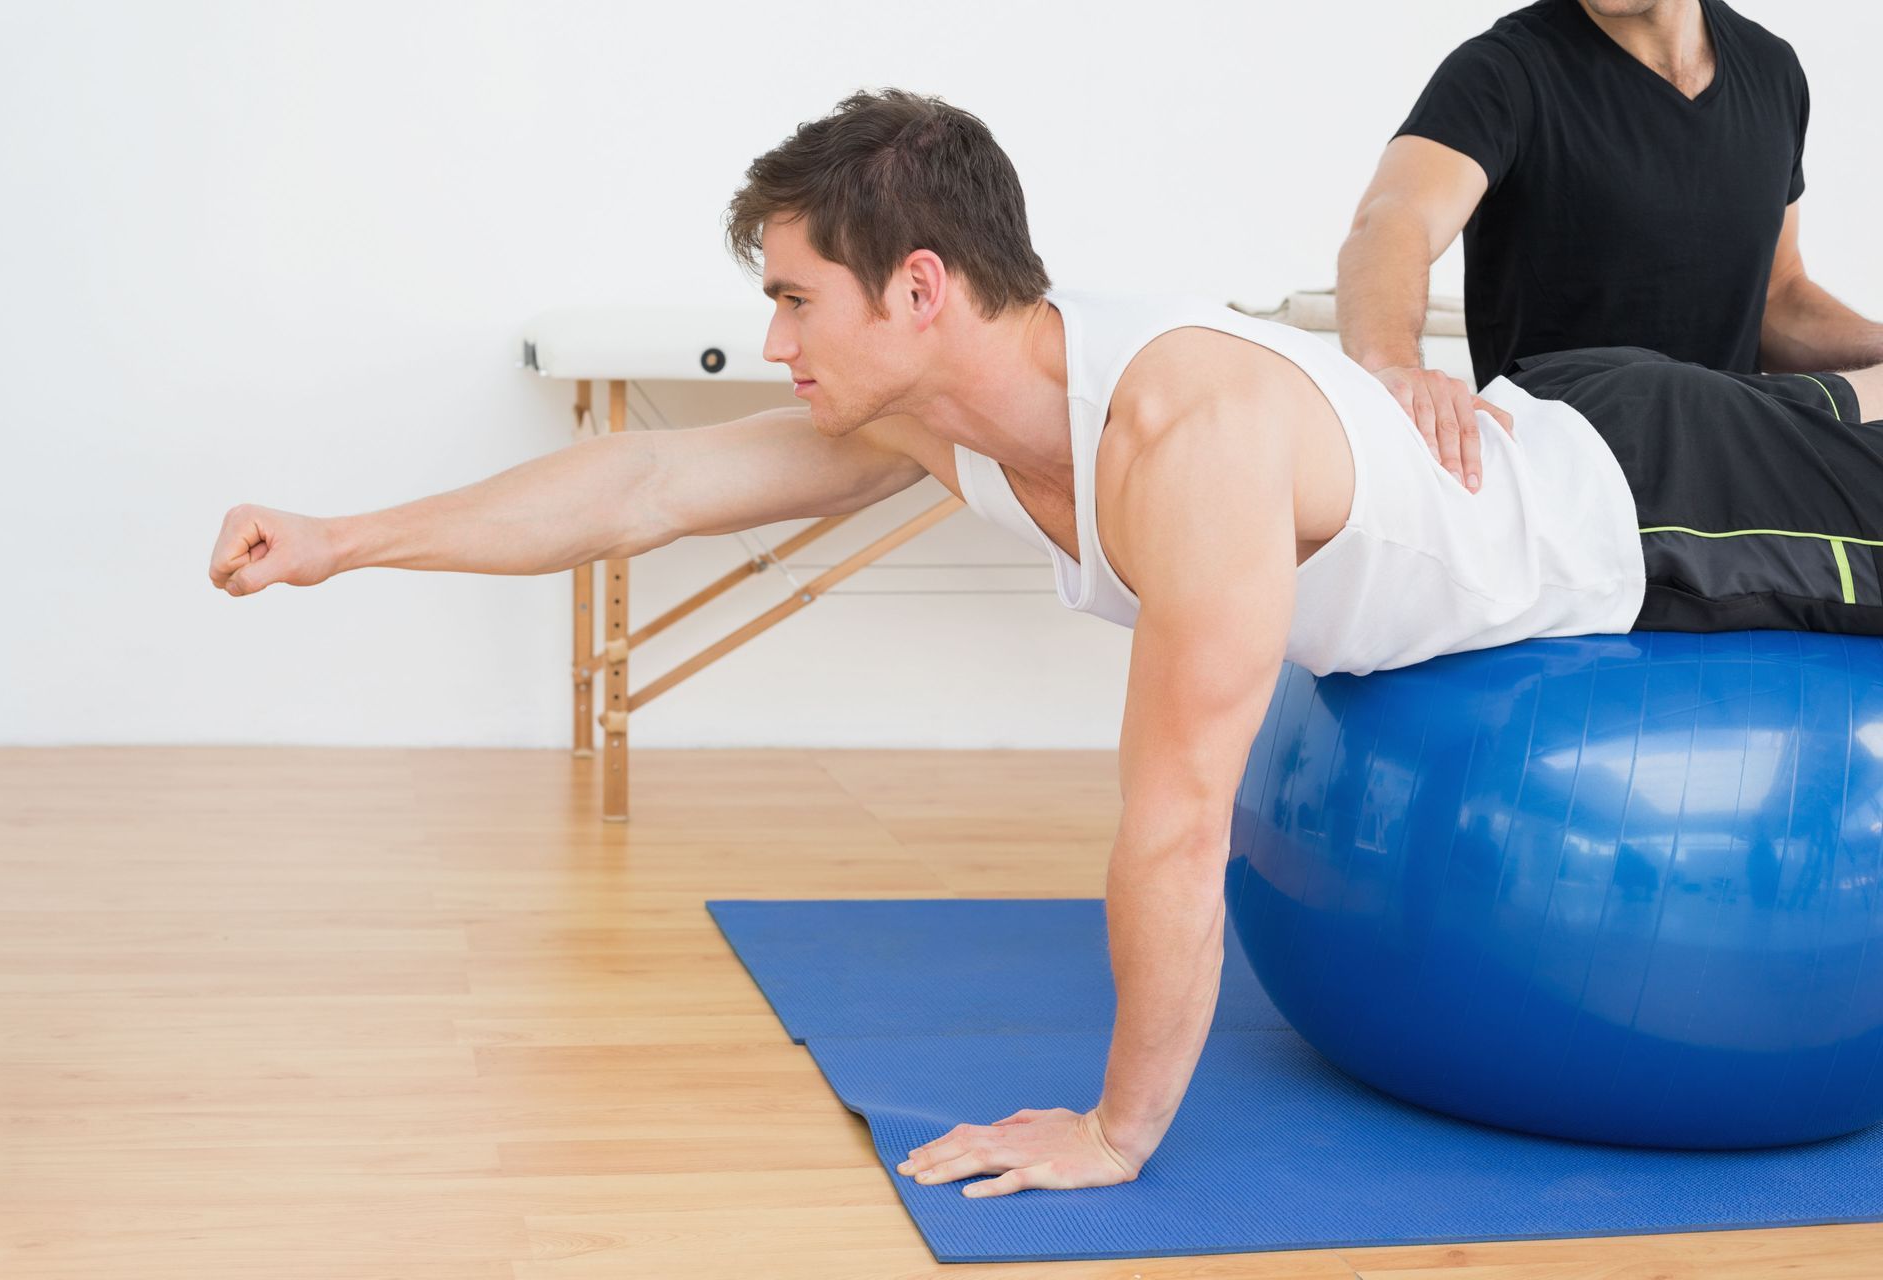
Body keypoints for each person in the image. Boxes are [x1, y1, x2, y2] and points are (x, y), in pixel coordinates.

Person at [208, 89, 1883, 1196]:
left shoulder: (1184, 439)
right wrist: (349, 541)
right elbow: (648, 477)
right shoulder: (946, 423)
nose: (774, 336)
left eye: (798, 298)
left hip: (1653, 506)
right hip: (1562, 428)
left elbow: (1174, 825)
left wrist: (1118, 1130)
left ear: (920, 288)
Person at [1336, 0, 1883, 492]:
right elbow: (1392, 220)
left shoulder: (1773, 71)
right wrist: (1394, 369)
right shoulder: (1502, 72)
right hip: (1569, 486)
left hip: (1727, 486)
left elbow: (1777, 296)